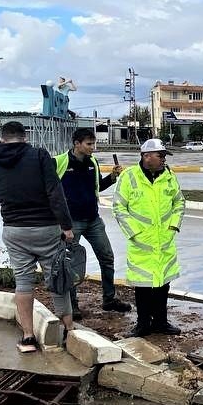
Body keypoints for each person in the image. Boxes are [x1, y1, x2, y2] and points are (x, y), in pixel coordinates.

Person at [0, 121, 79, 352]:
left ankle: (27, 337)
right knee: (57, 279)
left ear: (2, 138)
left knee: (23, 282)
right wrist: (66, 226)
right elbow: (55, 191)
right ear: (25, 137)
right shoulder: (39, 155)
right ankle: (69, 329)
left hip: (14, 230)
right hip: (46, 227)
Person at [54, 128, 132, 319]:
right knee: (70, 263)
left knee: (107, 257)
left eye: (93, 143)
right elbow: (48, 190)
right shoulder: (60, 162)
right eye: (89, 144)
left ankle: (109, 299)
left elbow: (98, 187)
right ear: (77, 143)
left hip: (93, 220)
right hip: (71, 222)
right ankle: (72, 305)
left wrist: (112, 177)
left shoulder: (93, 163)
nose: (92, 148)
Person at [113, 138, 185, 338]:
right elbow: (119, 207)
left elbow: (179, 203)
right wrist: (135, 233)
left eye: (163, 156)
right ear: (146, 157)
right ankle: (143, 324)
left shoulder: (169, 176)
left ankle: (161, 322)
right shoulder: (129, 177)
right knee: (143, 286)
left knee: (163, 284)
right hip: (141, 243)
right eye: (160, 155)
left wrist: (173, 227)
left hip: (164, 241)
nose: (163, 159)